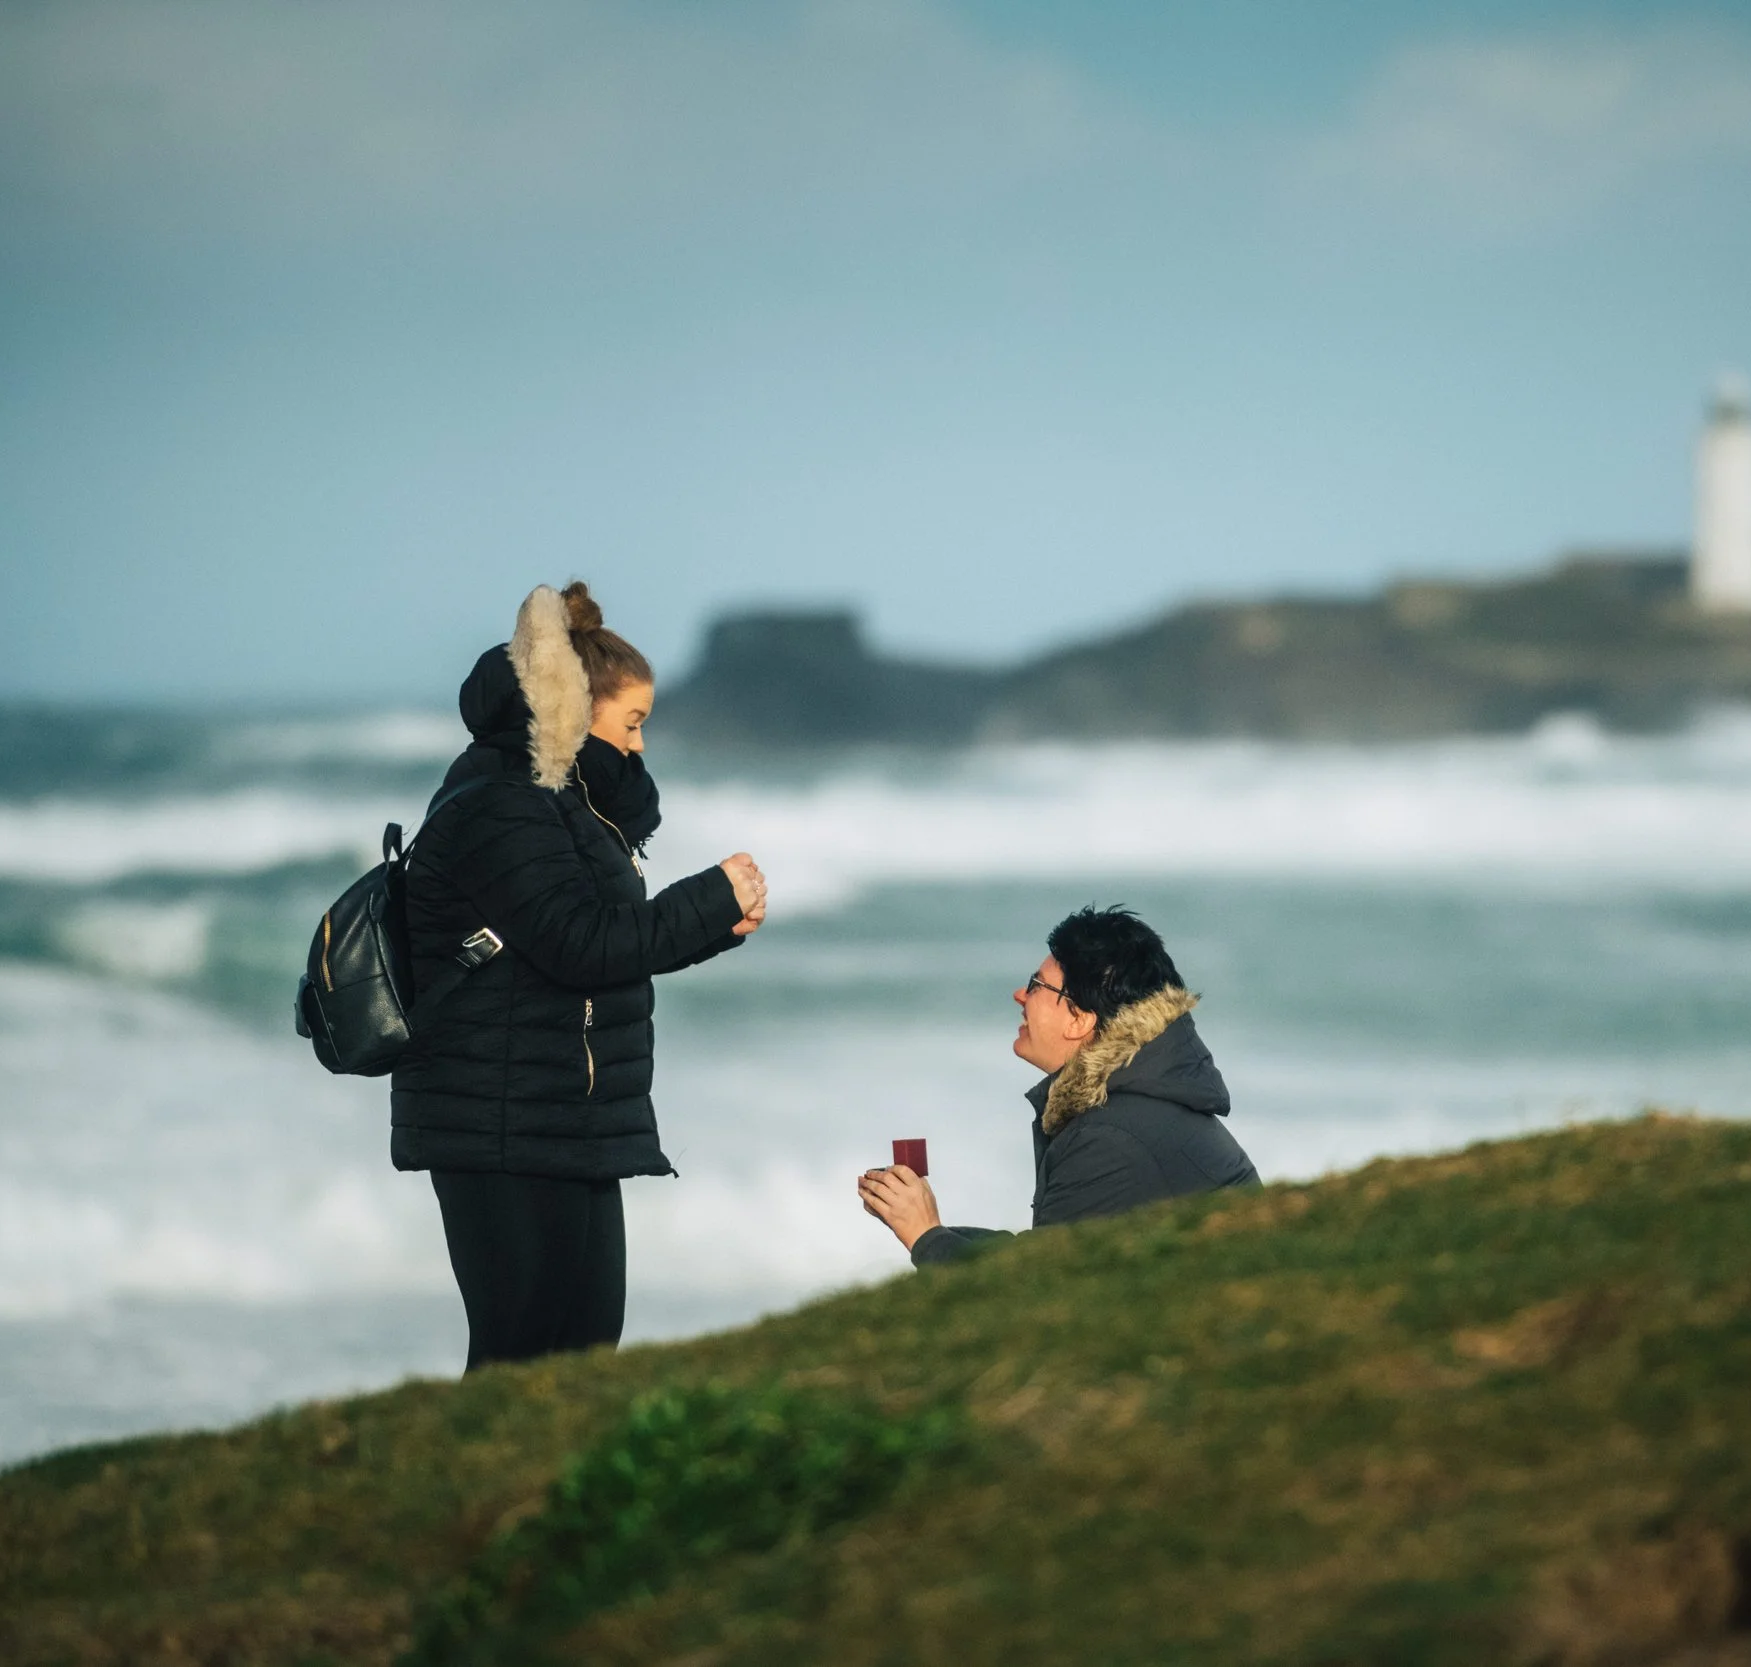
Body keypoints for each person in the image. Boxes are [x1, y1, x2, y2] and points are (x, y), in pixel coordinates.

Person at [393, 581, 766, 1370]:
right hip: (499, 1125)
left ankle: (547, 1497)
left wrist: (716, 925)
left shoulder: (564, 806)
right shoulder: (501, 802)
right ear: (577, 706)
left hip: (565, 1119)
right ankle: (473, 1496)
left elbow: (604, 946)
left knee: (582, 1356)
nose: (637, 747)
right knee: (520, 1358)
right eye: (630, 725)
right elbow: (579, 942)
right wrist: (705, 901)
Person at [857, 906, 1258, 1265]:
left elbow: (1037, 1297)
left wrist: (926, 1238)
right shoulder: (1131, 1108)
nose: (1019, 995)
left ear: (1080, 1020)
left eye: (1036, 985)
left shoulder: (1110, 1137)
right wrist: (931, 1228)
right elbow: (1050, 1252)